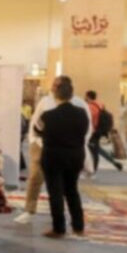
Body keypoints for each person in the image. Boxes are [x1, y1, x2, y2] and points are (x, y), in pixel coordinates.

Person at [14, 76, 92, 226]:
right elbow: (35, 124)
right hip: (45, 147)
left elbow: (88, 130)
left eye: (55, 85)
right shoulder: (46, 102)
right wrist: (34, 141)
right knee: (36, 179)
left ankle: (60, 225)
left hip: (61, 151)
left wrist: (78, 143)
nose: (52, 88)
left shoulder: (79, 105)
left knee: (60, 188)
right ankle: (31, 210)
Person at [35, 79, 90, 238]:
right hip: (75, 155)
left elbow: (37, 129)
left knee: (55, 192)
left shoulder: (48, 115)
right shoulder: (82, 113)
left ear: (55, 94)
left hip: (53, 156)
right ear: (71, 94)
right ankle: (78, 227)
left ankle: (59, 228)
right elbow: (85, 130)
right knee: (72, 190)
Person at [84, 90, 122, 171]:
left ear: (88, 96)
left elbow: (92, 120)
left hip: (94, 131)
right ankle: (114, 163)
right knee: (96, 149)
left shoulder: (90, 107)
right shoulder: (100, 104)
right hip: (100, 130)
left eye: (85, 96)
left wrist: (90, 130)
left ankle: (93, 169)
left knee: (94, 150)